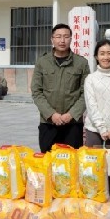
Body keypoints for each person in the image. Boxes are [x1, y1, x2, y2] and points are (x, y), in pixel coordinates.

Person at [32, 23, 90, 153]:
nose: (62, 40)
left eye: (66, 36)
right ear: (52, 39)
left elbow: (86, 93)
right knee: (48, 162)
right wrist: (51, 114)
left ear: (71, 38)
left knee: (72, 163)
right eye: (58, 37)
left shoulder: (81, 63)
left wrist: (72, 114)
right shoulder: (42, 62)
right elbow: (36, 92)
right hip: (48, 123)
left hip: (73, 124)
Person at [83, 39, 110, 201]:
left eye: (109, 53)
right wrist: (102, 128)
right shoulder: (90, 79)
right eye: (102, 53)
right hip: (95, 131)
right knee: (94, 171)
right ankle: (94, 207)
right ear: (96, 56)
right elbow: (91, 105)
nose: (106, 57)